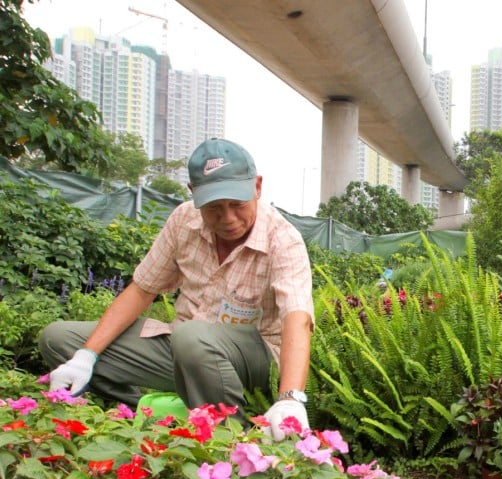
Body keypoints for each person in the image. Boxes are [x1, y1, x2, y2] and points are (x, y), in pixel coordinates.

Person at [39, 138, 315, 441]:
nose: (228, 219)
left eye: (237, 205)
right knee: (59, 339)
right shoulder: (184, 220)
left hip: (251, 360)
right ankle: (154, 418)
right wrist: (86, 356)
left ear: (258, 187)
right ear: (193, 193)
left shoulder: (283, 240)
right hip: (184, 347)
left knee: (192, 337)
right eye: (214, 207)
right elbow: (142, 289)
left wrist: (290, 397)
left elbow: (297, 317)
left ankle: (234, 439)